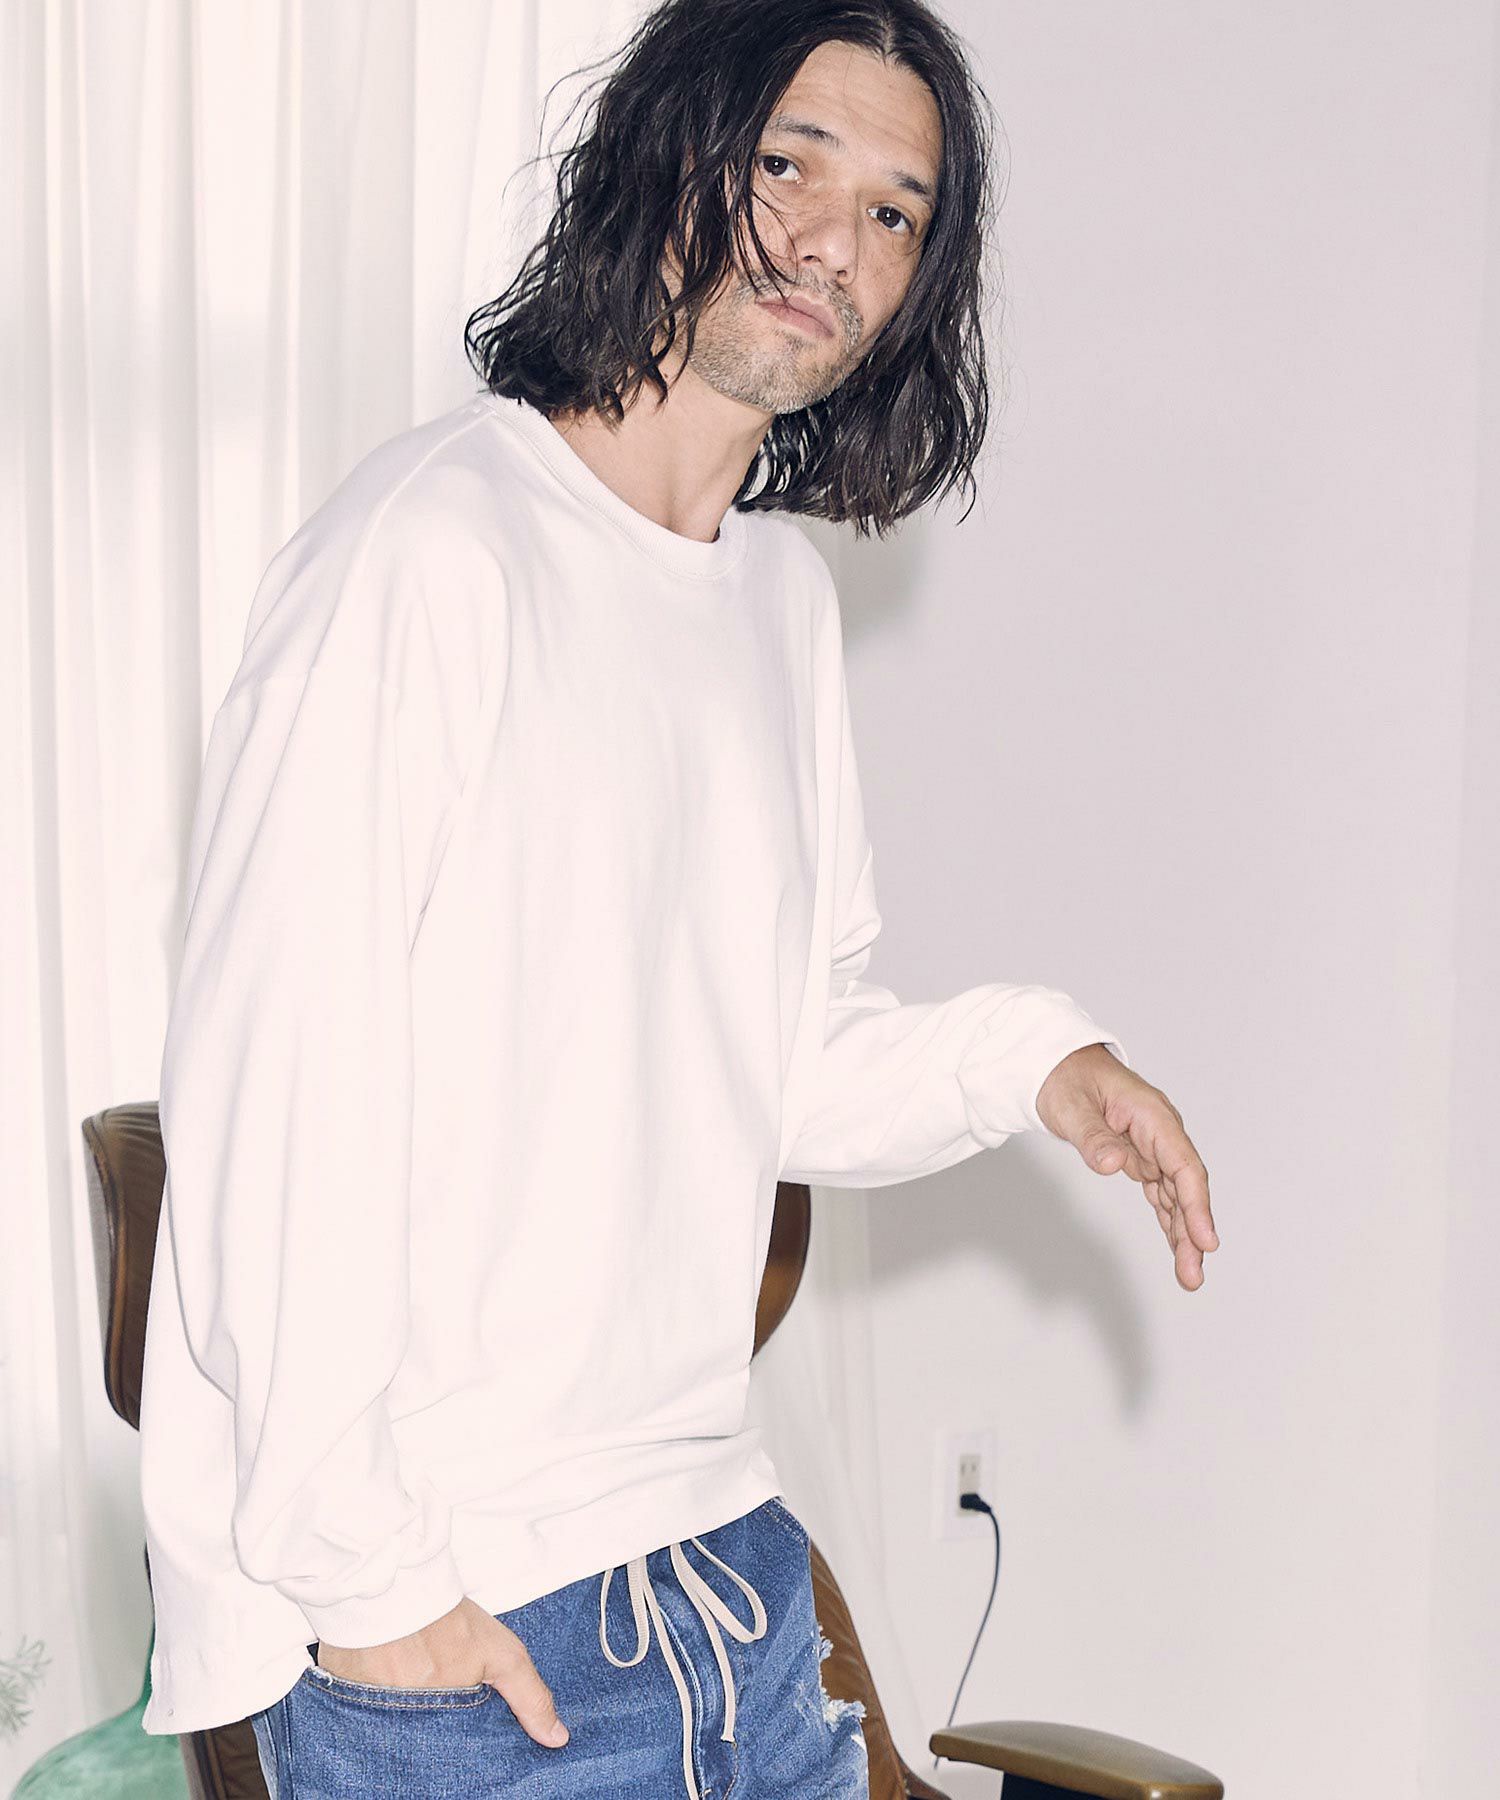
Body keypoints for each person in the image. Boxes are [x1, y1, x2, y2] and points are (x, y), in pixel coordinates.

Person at [137, 1, 1219, 1795]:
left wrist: (1038, 1064)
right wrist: (378, 1591)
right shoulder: (425, 552)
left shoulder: (775, 609)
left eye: (896, 211)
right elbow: (274, 1103)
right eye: (790, 162)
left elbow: (780, 1064)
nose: (832, 240)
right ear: (669, 158)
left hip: (732, 1583)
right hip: (464, 1629)